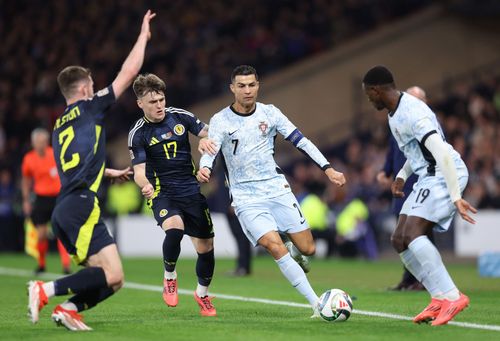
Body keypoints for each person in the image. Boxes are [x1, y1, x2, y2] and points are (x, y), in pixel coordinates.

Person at [27, 10, 156, 331]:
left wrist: (109, 173)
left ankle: (68, 309)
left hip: (65, 207)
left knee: (114, 279)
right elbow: (129, 73)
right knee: (111, 274)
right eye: (93, 85)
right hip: (82, 205)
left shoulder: (58, 127)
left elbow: (73, 166)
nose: (97, 88)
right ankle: (45, 289)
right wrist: (143, 37)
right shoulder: (90, 106)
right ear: (84, 89)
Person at [197, 65, 346, 316]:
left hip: (277, 189)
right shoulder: (221, 120)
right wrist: (204, 168)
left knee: (309, 248)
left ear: (258, 86)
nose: (247, 90)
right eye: (241, 86)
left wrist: (327, 168)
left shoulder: (271, 113)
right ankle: (316, 304)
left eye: (252, 85)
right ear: (232, 88)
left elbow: (301, 140)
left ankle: (294, 248)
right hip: (246, 196)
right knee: (273, 246)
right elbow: (210, 150)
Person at [362, 65, 477, 326]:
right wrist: (401, 175)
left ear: (376, 90)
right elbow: (416, 153)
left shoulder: (414, 113)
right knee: (399, 239)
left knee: (413, 234)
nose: (368, 100)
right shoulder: (394, 114)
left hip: (445, 173)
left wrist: (455, 195)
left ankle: (452, 296)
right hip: (428, 174)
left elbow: (442, 152)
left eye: (368, 94)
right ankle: (438, 298)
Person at [128, 73, 218, 316]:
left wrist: (205, 142)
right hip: (162, 192)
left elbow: (212, 132)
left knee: (206, 248)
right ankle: (170, 276)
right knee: (174, 227)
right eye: (153, 102)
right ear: (140, 104)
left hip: (191, 190)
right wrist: (144, 184)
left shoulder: (180, 116)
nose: (159, 105)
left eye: (161, 99)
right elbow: (138, 172)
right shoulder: (138, 133)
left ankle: (202, 294)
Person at [376, 86, 431, 291]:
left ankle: (426, 279)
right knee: (401, 234)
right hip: (402, 183)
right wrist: (385, 171)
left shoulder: (427, 123)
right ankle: (410, 277)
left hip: (422, 181)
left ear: (425, 102)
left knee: (420, 232)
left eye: (417, 99)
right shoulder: (398, 120)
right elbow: (394, 150)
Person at [22, 128, 71, 275]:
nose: (41, 144)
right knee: (41, 234)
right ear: (33, 143)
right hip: (41, 198)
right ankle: (41, 264)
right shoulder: (29, 159)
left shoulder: (55, 154)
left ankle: (66, 266)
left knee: (60, 231)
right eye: (38, 142)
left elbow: (66, 172)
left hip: (57, 197)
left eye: (43, 141)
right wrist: (26, 200)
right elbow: (26, 180)